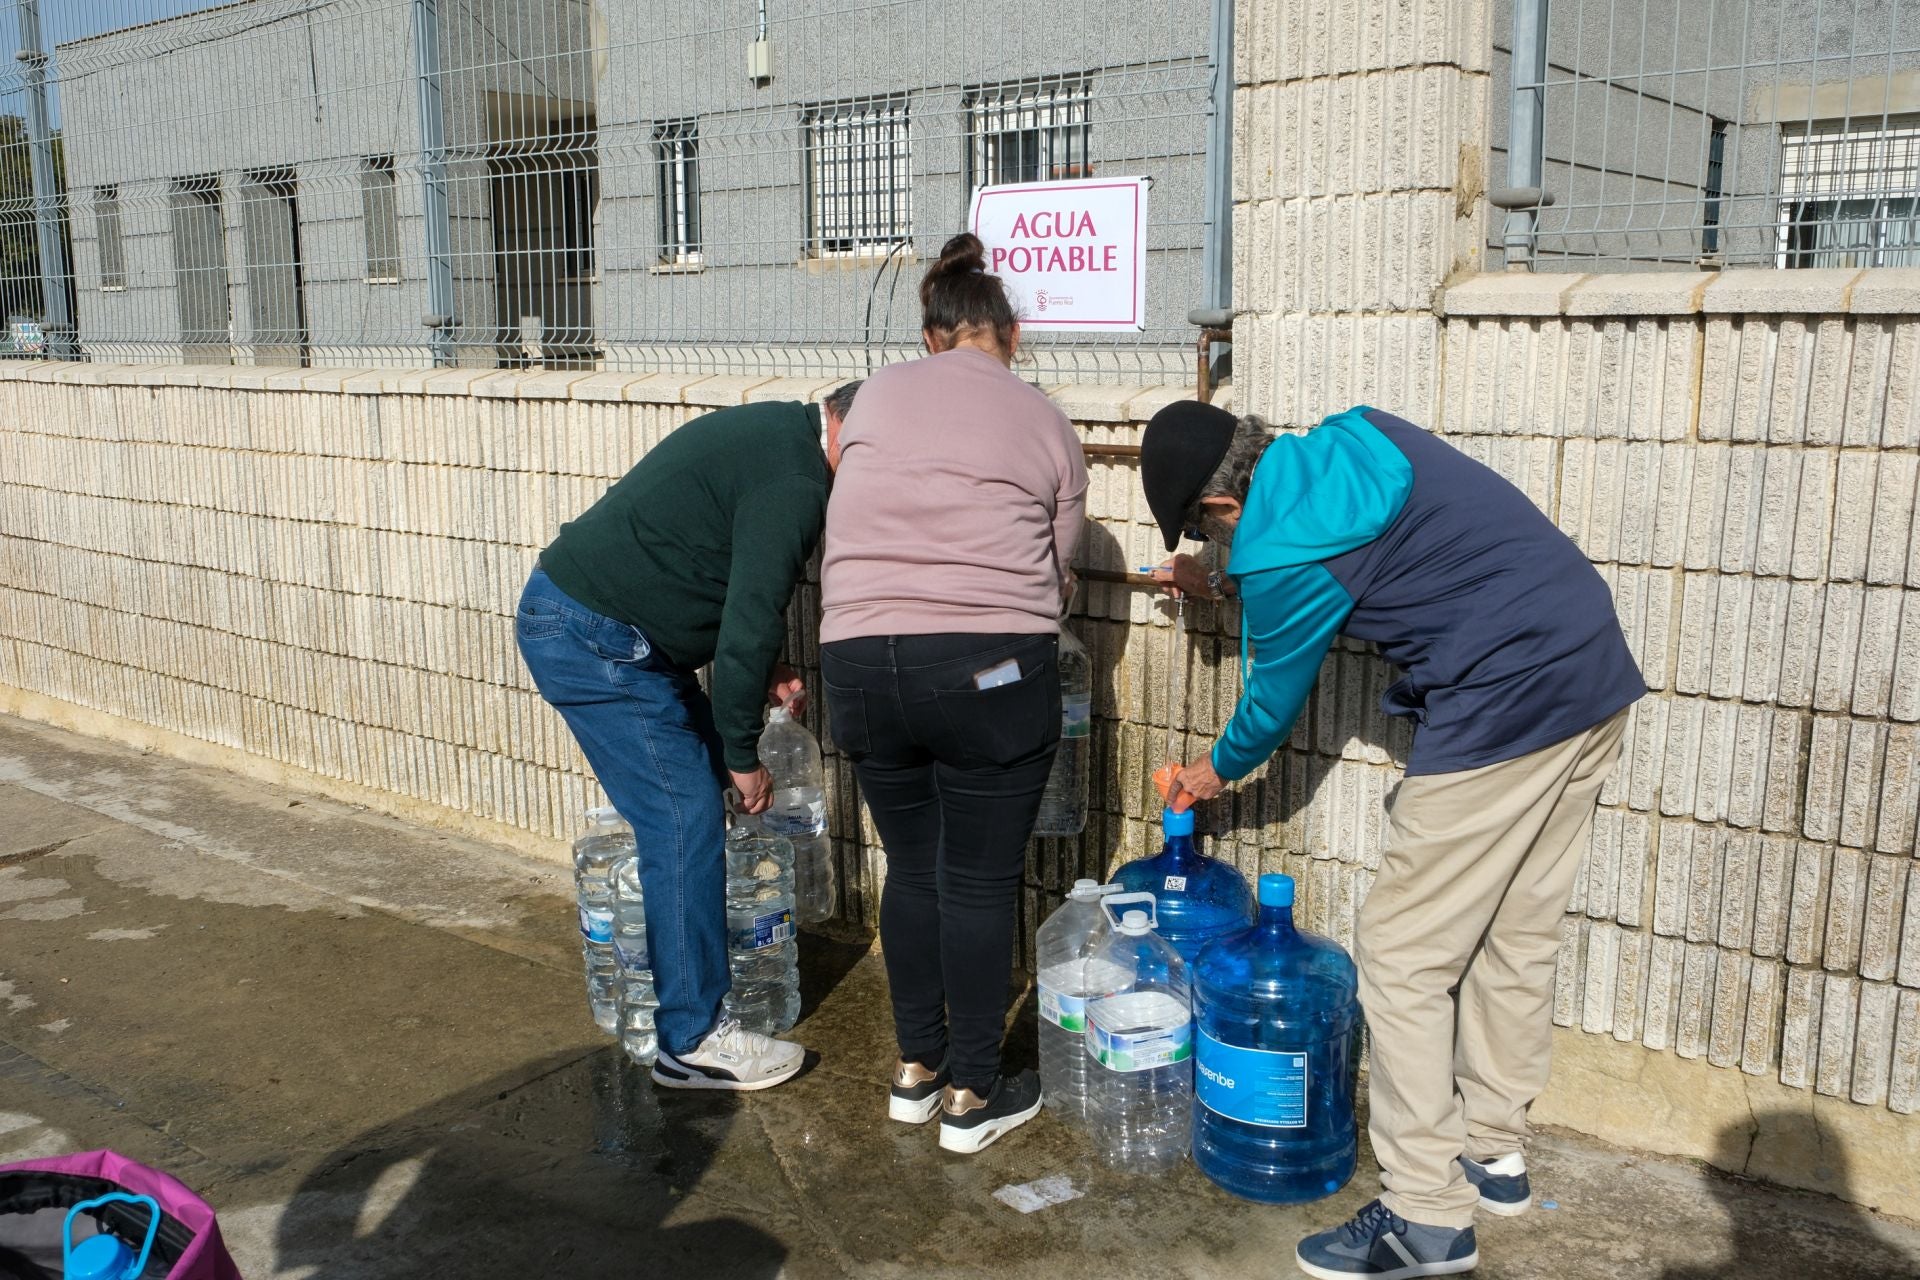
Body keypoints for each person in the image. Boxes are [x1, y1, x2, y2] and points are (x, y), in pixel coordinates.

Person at [1140, 401, 1645, 1279]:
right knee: (1515, 932)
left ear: (1218, 509)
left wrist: (1209, 773)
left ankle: (1426, 1216)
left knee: (1401, 952)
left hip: (1505, 701)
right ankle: (1493, 1154)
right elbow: (1355, 569)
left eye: (1204, 536)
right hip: (1590, 663)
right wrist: (1220, 588)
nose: (1219, 548)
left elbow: (1268, 702)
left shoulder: (1276, 553)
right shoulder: (1362, 437)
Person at [820, 232, 1087, 1154]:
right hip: (987, 671)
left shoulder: (875, 394)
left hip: (857, 666)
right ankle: (974, 1092)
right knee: (976, 879)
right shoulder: (1043, 416)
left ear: (931, 335)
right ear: (1008, 336)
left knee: (913, 863)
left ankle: (915, 1069)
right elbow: (1056, 575)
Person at [516, 381, 861, 1092]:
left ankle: (691, 1002)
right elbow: (748, 622)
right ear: (849, 431)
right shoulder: (796, 482)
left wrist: (764, 670)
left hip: (608, 630)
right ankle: (692, 1039)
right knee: (684, 817)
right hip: (596, 638)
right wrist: (743, 757)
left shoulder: (779, 437)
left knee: (693, 806)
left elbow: (727, 584)